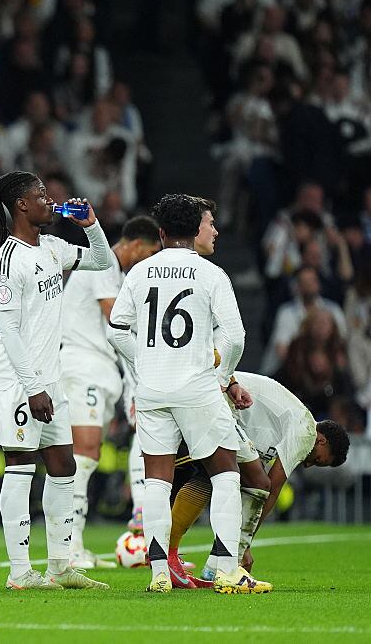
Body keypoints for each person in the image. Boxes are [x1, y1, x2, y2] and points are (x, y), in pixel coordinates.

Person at [107, 193, 269, 594]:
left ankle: (160, 573)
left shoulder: (140, 272)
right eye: (208, 224)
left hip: (152, 389)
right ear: (196, 227)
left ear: (161, 233)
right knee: (227, 474)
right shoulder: (211, 274)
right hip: (196, 387)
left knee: (157, 483)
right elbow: (234, 336)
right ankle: (229, 570)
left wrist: (142, 362)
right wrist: (223, 376)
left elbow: (116, 329)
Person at [0, 171, 112, 592]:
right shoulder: (8, 260)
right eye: (41, 195)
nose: (50, 201)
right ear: (21, 205)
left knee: (63, 466)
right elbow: (10, 332)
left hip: (50, 378)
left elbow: (101, 261)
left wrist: (90, 224)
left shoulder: (53, 248)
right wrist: (33, 386)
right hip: (19, 380)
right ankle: (20, 571)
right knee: (20, 465)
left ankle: (60, 565)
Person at [167, 371, 350, 588]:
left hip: (204, 395)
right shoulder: (306, 431)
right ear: (321, 441)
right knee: (259, 483)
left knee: (211, 476)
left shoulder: (283, 428)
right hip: (217, 399)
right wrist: (245, 543)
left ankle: (177, 557)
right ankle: (228, 564)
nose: (309, 464)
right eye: (318, 460)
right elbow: (272, 487)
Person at [59, 215, 162, 568]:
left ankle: (75, 544)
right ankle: (68, 547)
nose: (149, 262)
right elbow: (115, 317)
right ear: (134, 245)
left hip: (98, 368)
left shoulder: (114, 272)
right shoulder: (102, 263)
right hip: (81, 364)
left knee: (88, 454)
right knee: (83, 453)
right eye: (149, 254)